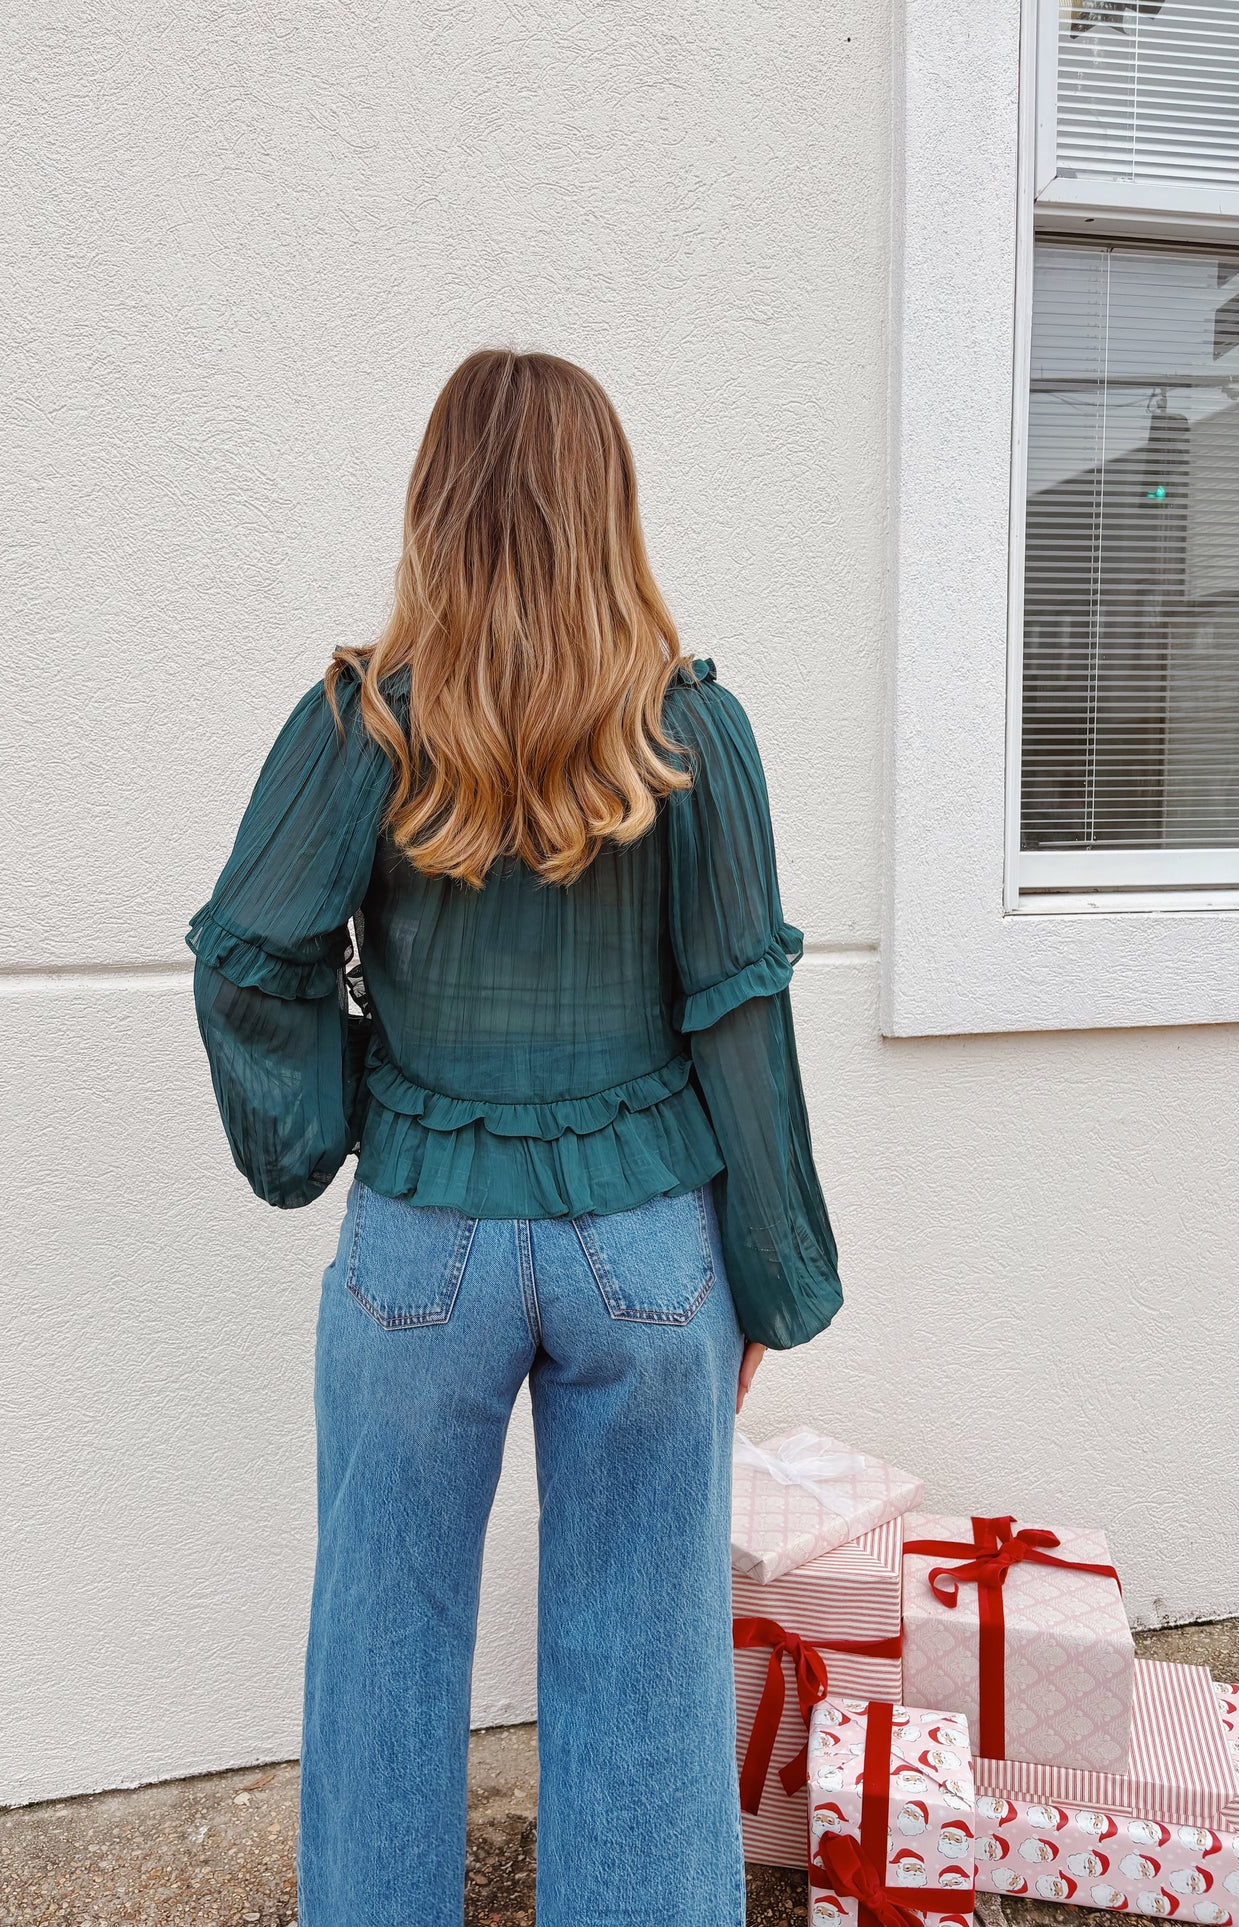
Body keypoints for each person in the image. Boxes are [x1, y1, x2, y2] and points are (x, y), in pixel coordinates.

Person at [186, 349, 842, 1927]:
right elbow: (737, 1016)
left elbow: (245, 957)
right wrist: (767, 1284)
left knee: (380, 1646)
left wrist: (346, 1107)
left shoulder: (360, 721)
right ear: (607, 509)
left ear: (437, 508)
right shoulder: (693, 729)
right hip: (645, 1253)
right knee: (647, 1662)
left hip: (420, 1245)